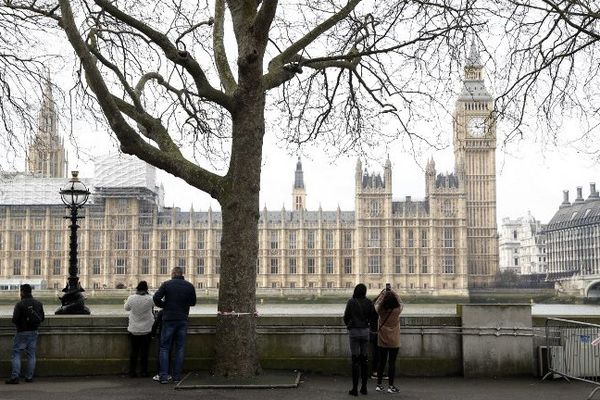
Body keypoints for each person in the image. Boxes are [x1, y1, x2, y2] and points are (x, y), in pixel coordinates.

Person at [153, 267, 196, 384]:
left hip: (169, 319)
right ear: (182, 274)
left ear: (172, 274)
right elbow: (193, 302)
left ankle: (163, 376)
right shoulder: (189, 286)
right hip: (182, 318)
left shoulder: (166, 284)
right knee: (180, 348)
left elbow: (156, 298)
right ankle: (176, 376)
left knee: (164, 347)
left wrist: (164, 306)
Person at [5, 284, 45, 384]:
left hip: (22, 332)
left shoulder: (20, 304)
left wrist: (21, 324)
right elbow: (42, 318)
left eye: (20, 291)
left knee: (16, 353)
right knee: (31, 355)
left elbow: (14, 320)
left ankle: (15, 377)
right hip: (34, 331)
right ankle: (29, 377)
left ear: (22, 292)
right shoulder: (38, 303)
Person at [343, 283, 375, 396]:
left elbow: (346, 317)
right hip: (365, 332)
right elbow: (373, 317)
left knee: (355, 360)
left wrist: (349, 325)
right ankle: (364, 388)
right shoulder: (369, 302)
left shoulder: (351, 302)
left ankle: (355, 389)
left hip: (354, 332)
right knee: (364, 360)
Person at [374, 286, 403, 394]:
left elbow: (376, 304)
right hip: (394, 340)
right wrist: (394, 292)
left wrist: (383, 294)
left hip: (382, 338)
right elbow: (401, 302)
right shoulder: (397, 310)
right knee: (392, 363)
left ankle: (379, 385)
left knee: (381, 363)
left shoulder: (380, 311)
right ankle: (391, 386)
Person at [124, 281, 154, 378]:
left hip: (134, 329)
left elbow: (126, 308)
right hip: (146, 329)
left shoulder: (131, 298)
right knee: (144, 352)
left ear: (137, 288)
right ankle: (144, 372)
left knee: (134, 351)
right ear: (146, 289)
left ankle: (132, 372)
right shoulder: (150, 299)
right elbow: (156, 302)